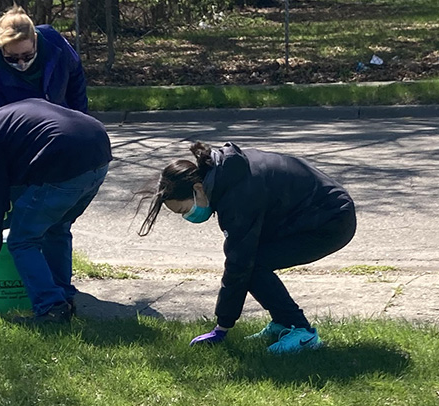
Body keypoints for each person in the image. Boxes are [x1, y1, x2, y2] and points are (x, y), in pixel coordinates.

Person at [138, 141, 356, 353]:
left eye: (183, 210)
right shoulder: (227, 172)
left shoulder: (236, 195)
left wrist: (222, 327)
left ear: (197, 188)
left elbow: (238, 262)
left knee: (252, 263)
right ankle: (284, 323)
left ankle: (302, 332)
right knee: (251, 261)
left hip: (331, 221)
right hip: (316, 213)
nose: (188, 216)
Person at [0, 97, 111, 323]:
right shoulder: (10, 117)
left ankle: (51, 308)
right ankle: (64, 296)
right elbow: (16, 193)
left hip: (62, 162)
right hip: (98, 152)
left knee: (22, 241)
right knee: (56, 229)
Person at [0, 5, 88, 113]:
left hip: (61, 120)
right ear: (1, 48)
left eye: (27, 55)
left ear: (35, 38)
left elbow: (76, 76)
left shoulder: (56, 45)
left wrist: (79, 117)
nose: (21, 63)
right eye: (12, 58)